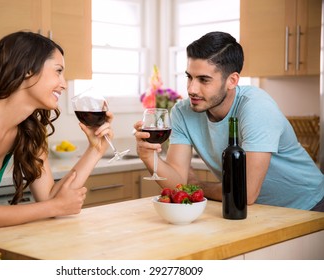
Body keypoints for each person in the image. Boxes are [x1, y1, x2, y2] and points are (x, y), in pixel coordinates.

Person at [0, 31, 113, 228]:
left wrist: (96, 150)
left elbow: (49, 197)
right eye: (58, 71)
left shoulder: (27, 128)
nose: (63, 84)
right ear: (28, 69)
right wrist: (57, 207)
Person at [133, 31, 324, 212]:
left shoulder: (256, 107)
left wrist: (198, 186)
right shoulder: (183, 112)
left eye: (204, 80)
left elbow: (245, 193)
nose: (192, 89)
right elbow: (178, 183)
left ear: (232, 80)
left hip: (311, 205)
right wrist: (150, 157)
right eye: (189, 77)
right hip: (259, 210)